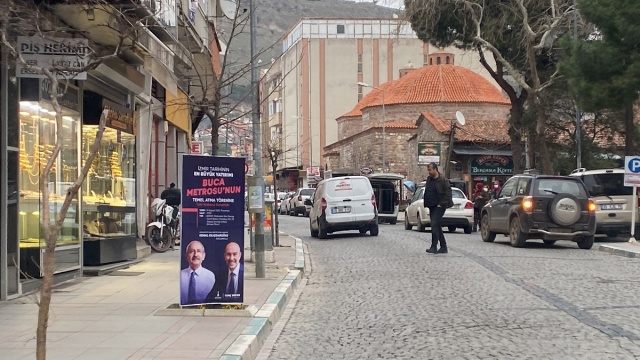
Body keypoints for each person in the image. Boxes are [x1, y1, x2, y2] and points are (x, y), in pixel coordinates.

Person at [423, 163, 454, 254]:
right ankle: (443, 246)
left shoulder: (443, 180)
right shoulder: (429, 179)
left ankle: (434, 246)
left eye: (430, 170)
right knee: (437, 226)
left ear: (435, 169)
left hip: (439, 206)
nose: (429, 172)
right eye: (428, 170)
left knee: (434, 224)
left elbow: (448, 193)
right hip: (431, 205)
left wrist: (442, 204)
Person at [180, 240, 216, 305]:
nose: (195, 254)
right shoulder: (180, 276)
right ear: (186, 256)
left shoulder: (210, 276)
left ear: (204, 256)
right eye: (191, 251)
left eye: (199, 251)